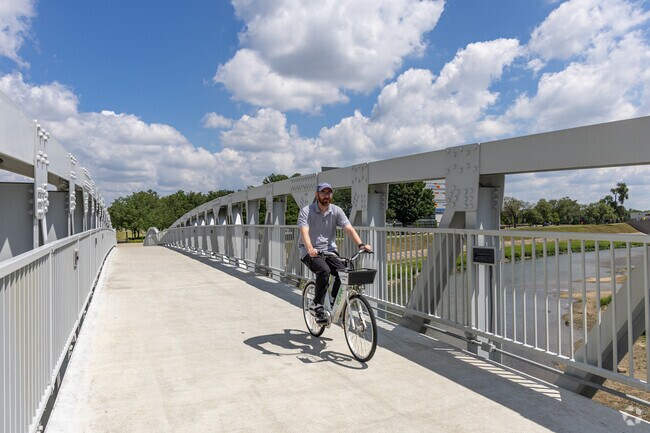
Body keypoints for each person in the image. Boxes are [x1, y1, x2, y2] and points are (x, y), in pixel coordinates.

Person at [298, 182, 372, 324]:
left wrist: (361, 244)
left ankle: (332, 299)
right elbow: (304, 231)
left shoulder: (336, 210)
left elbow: (348, 228)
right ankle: (317, 305)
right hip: (309, 251)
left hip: (329, 251)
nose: (326, 196)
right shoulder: (307, 211)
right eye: (323, 192)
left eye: (329, 193)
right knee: (324, 271)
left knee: (344, 271)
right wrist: (309, 248)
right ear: (317, 195)